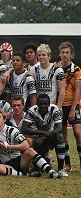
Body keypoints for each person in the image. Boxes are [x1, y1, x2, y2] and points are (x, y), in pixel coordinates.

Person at [0, 108, 61, 178]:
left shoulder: (12, 130)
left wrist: (8, 147)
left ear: (4, 119)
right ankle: (26, 175)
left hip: (19, 160)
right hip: (6, 164)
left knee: (30, 150)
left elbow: (26, 145)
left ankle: (51, 171)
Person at [21, 94, 67, 176]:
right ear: (37, 104)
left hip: (51, 135)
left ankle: (61, 169)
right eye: (41, 104)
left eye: (45, 104)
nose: (43, 106)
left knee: (60, 137)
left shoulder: (54, 109)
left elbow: (59, 127)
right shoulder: (32, 110)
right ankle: (37, 167)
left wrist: (45, 135)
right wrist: (43, 133)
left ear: (49, 104)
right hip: (39, 137)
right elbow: (24, 128)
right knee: (36, 142)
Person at [57, 42, 81, 172]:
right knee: (63, 135)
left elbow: (78, 90)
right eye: (63, 52)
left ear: (72, 55)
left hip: (72, 105)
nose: (65, 55)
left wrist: (73, 109)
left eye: (67, 52)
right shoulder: (56, 67)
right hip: (60, 105)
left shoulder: (76, 70)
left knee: (77, 132)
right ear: (60, 54)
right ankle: (67, 164)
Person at [29, 44, 65, 109]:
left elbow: (62, 90)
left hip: (52, 106)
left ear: (49, 56)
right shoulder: (33, 69)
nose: (41, 57)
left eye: (43, 55)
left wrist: (58, 107)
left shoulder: (58, 70)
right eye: (39, 55)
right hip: (39, 107)